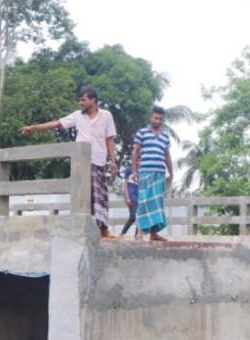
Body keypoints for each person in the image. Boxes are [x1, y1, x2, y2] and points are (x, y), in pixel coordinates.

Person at [19, 87, 119, 238]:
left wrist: (113, 161)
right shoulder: (77, 116)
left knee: (100, 197)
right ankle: (82, 230)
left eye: (83, 100)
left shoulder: (106, 116)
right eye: (80, 100)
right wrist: (34, 128)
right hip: (80, 163)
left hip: (98, 161)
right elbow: (56, 124)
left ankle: (104, 230)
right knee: (82, 196)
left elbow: (109, 139)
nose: (81, 103)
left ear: (93, 100)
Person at [132, 106, 173, 242]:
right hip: (145, 173)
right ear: (151, 118)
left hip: (160, 174)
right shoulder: (142, 133)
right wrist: (134, 171)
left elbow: (167, 156)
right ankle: (139, 233)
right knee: (144, 202)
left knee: (157, 204)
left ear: (163, 120)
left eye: (161, 119)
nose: (158, 120)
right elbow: (135, 152)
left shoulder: (165, 137)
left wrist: (171, 173)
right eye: (156, 118)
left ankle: (153, 234)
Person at [121, 165, 139, 237]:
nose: (139, 162)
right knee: (132, 217)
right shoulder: (128, 170)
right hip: (132, 197)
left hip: (140, 197)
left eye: (141, 160)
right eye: (138, 160)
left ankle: (137, 235)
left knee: (140, 218)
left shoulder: (141, 172)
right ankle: (122, 233)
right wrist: (127, 197)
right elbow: (125, 184)